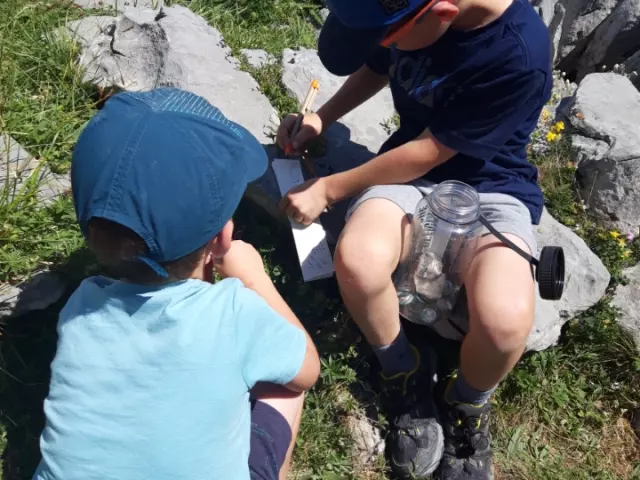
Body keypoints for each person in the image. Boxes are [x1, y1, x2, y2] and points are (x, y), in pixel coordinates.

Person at [276, 0, 551, 478]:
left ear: (442, 13)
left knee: (506, 322)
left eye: (390, 37)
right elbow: (375, 66)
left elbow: (428, 152)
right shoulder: (411, 13)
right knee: (358, 260)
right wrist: (322, 116)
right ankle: (403, 366)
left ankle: (467, 402)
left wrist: (329, 187)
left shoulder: (519, 53)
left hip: (491, 188)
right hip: (407, 181)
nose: (387, 46)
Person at [33, 88, 320, 480]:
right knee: (284, 389)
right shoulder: (234, 313)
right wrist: (255, 278)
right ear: (222, 239)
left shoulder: (81, 307)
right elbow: (307, 369)